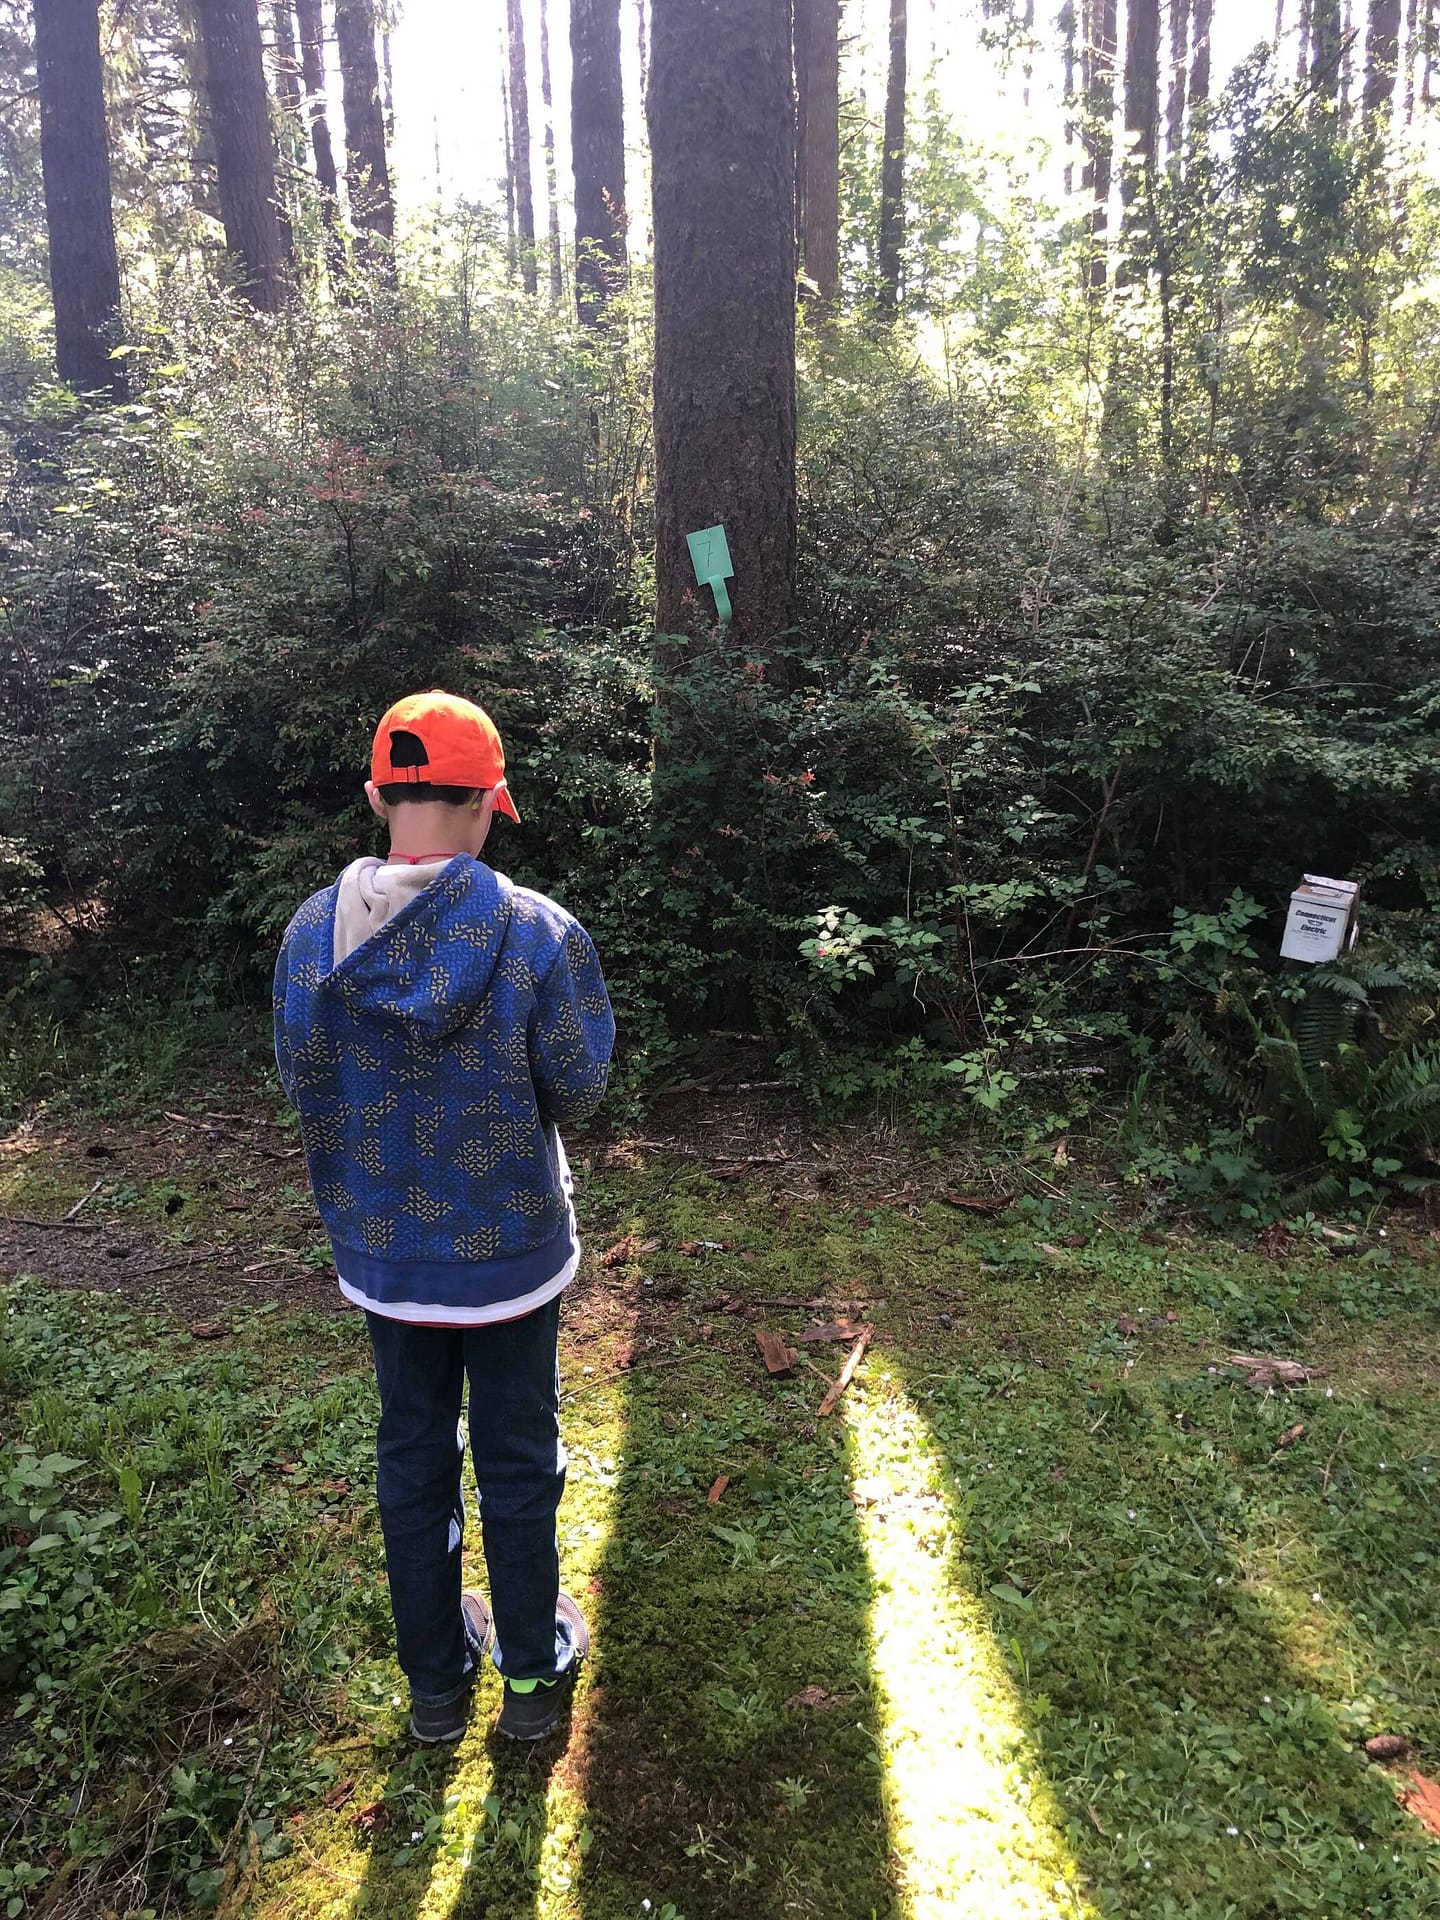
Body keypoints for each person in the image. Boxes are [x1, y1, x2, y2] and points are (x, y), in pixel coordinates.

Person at [273, 689, 615, 1745]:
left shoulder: (312, 934)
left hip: (386, 1257)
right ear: (485, 804)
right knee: (518, 1459)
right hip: (511, 1258)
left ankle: (433, 1687)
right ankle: (529, 1685)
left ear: (378, 796)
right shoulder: (535, 931)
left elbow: (301, 1079)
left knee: (412, 1453)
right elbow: (580, 1086)